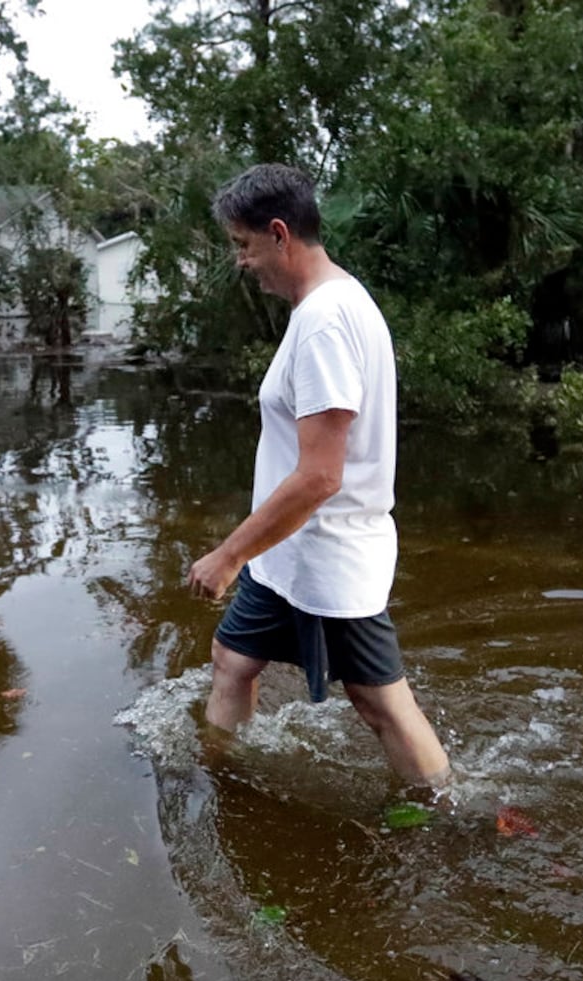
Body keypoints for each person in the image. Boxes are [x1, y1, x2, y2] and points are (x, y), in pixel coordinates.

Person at [186, 163, 452, 790]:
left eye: (243, 246)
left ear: (279, 234)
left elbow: (320, 477)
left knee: (380, 702)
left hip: (330, 552)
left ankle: (448, 813)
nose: (241, 263)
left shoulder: (327, 321)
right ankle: (220, 779)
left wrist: (227, 556)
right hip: (288, 553)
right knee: (233, 659)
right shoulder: (322, 308)